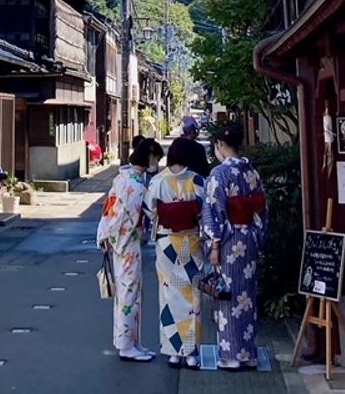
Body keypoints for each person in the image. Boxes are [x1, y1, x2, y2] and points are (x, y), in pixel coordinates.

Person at [201, 123, 267, 371]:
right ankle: (248, 354)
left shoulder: (219, 174)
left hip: (228, 241)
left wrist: (214, 244)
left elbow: (214, 211)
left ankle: (230, 355)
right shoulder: (252, 172)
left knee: (227, 296)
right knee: (247, 296)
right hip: (248, 236)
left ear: (219, 146)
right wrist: (259, 237)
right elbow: (261, 209)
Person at [97, 139, 163, 362]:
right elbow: (131, 216)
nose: (157, 163)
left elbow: (110, 211)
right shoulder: (135, 185)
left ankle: (132, 341)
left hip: (122, 240)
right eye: (156, 159)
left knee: (129, 293)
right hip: (127, 243)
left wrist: (106, 235)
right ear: (150, 157)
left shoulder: (123, 178)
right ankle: (126, 345)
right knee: (128, 293)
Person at [143, 138, 206, 369]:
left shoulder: (158, 180)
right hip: (191, 240)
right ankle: (191, 352)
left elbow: (150, 210)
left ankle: (172, 352)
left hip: (167, 242)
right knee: (193, 294)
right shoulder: (197, 180)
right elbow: (205, 212)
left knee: (168, 294)